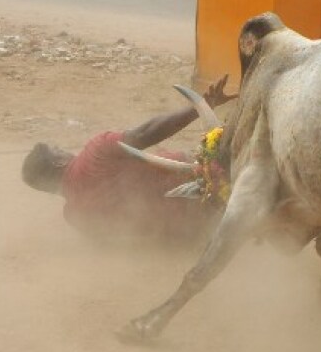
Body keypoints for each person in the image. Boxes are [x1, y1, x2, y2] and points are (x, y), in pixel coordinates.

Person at [22, 77, 233, 243]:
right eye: (58, 149)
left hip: (192, 235)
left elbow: (120, 236)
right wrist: (202, 106)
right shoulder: (95, 151)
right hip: (213, 186)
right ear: (58, 162)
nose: (65, 150)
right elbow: (145, 133)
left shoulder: (75, 218)